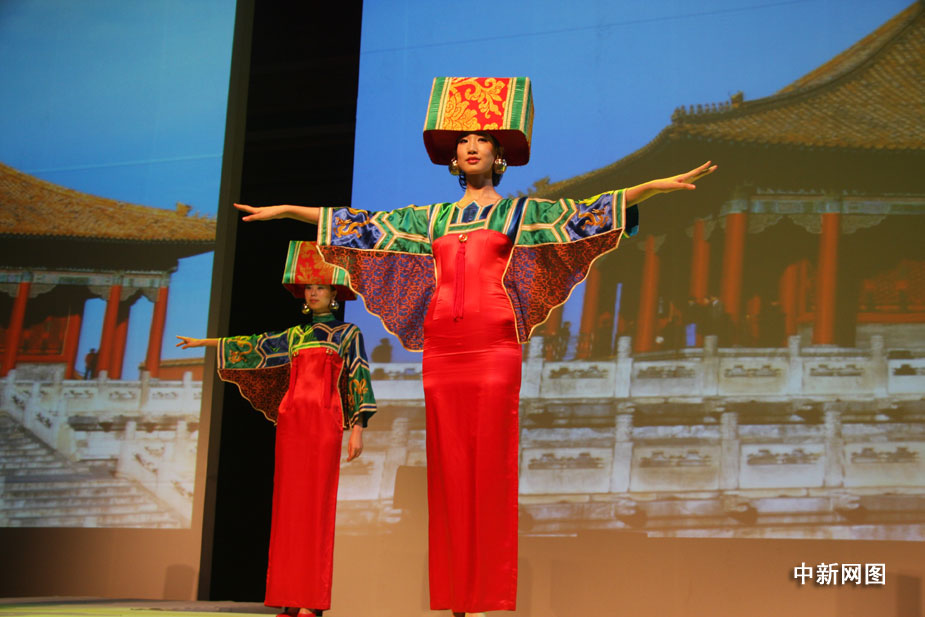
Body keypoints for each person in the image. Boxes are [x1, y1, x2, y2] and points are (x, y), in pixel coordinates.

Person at [233, 77, 716, 615]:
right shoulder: (431, 219)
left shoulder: (520, 213)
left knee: (488, 462)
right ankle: (456, 598)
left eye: (482, 139)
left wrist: (652, 187)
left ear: (498, 154)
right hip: (443, 347)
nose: (470, 146)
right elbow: (360, 226)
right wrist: (287, 210)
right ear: (454, 157)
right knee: (448, 466)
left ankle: (486, 594)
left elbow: (585, 213)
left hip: (493, 344)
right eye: (463, 139)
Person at [177, 241, 376, 617]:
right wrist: (206, 342)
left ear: (334, 294)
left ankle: (311, 602)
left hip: (324, 423)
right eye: (309, 288)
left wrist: (357, 428)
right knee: (288, 511)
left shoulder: (348, 334)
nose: (313, 293)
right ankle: (289, 597)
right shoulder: (295, 335)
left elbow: (358, 378)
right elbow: (256, 345)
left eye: (320, 287)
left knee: (315, 510)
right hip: (292, 425)